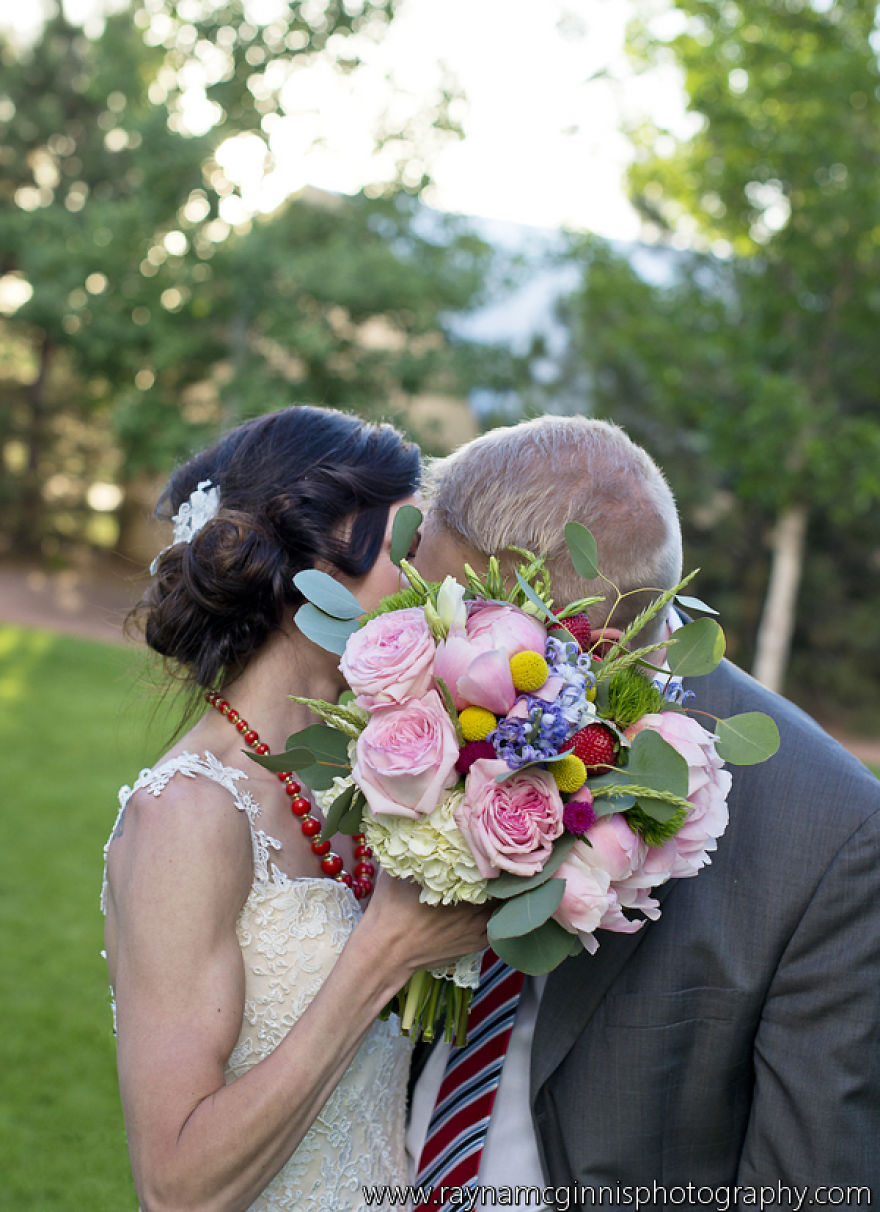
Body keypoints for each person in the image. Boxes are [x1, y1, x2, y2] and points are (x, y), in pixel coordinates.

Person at [410, 414, 880, 1204]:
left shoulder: (831, 838)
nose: (420, 636)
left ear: (570, 652)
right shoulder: (402, 716)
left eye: (452, 613)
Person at [101, 405, 489, 1212]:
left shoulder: (378, 773)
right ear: (309, 557)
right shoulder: (188, 814)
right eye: (406, 550)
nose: (435, 585)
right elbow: (177, 1190)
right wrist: (383, 955)